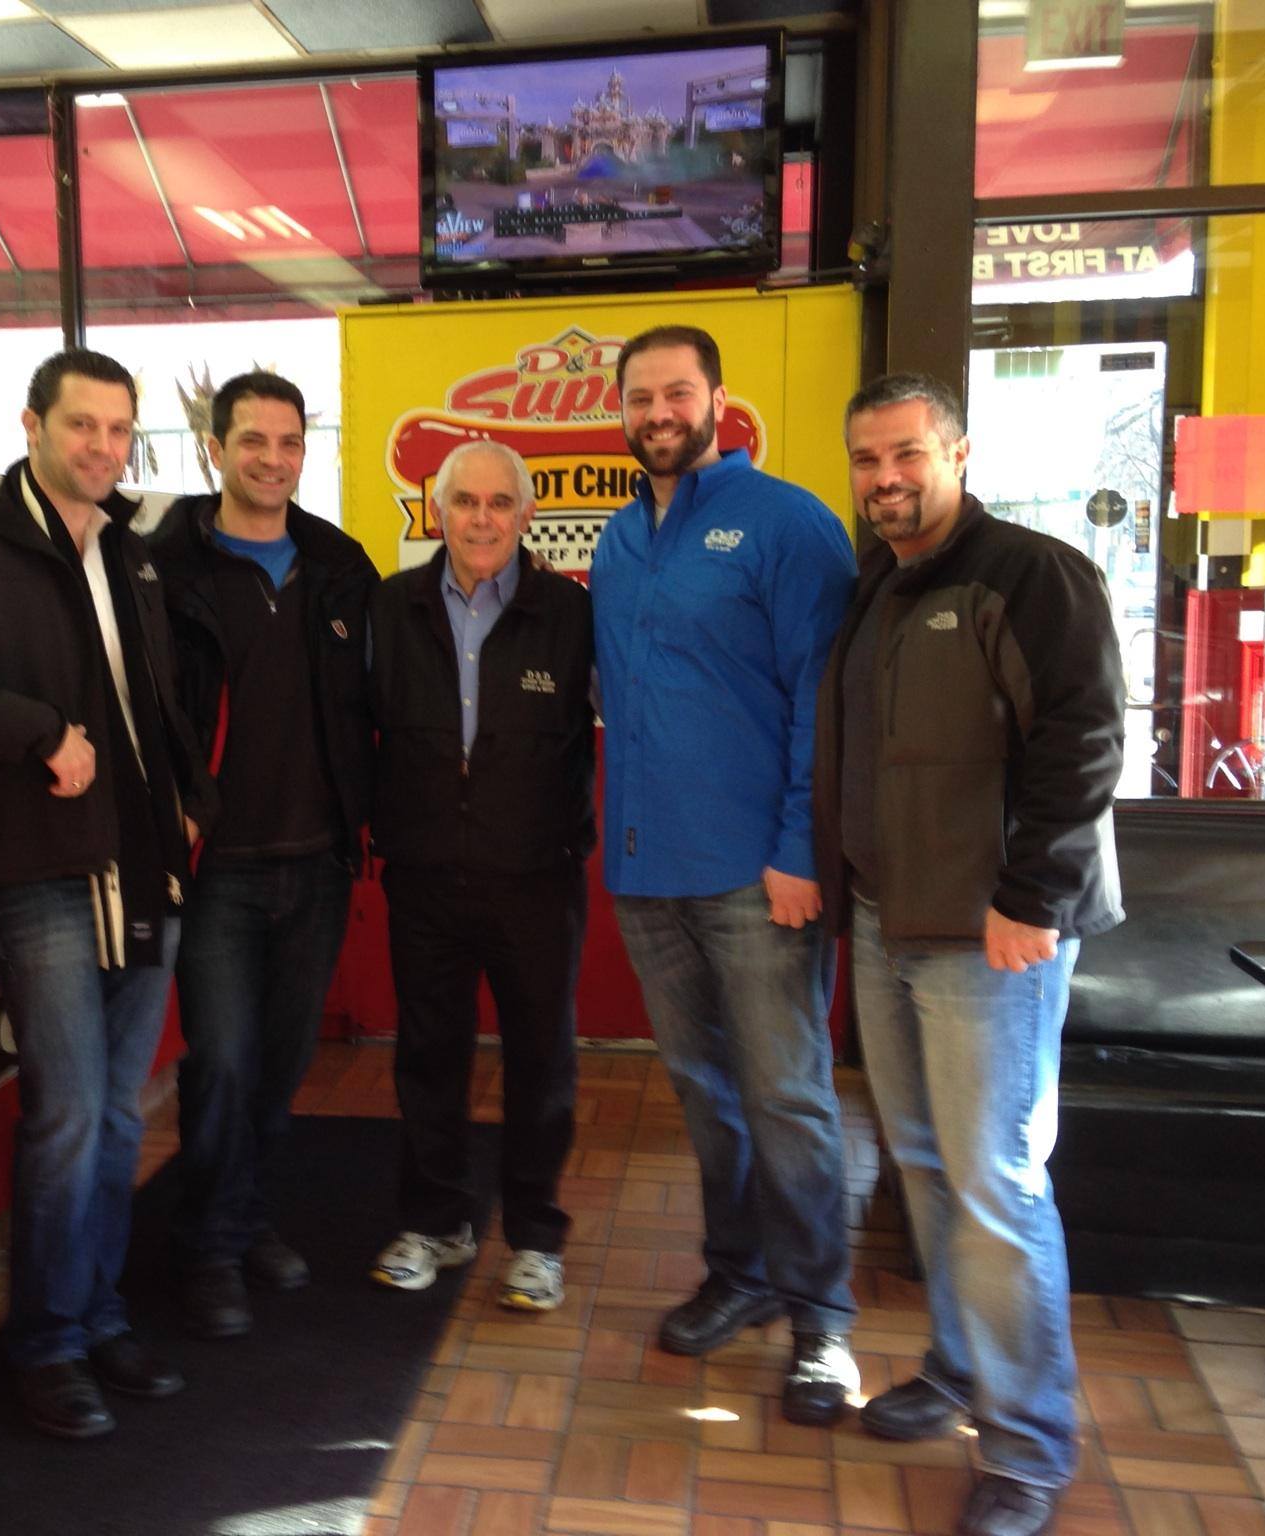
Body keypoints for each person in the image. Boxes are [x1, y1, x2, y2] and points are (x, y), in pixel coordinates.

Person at [0, 348, 219, 1442]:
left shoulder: (130, 550)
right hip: (39, 866)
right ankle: (47, 1341)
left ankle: (98, 1314)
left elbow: (157, 700)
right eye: (81, 426)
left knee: (117, 1112)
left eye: (118, 429)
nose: (102, 447)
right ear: (31, 426)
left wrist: (189, 800)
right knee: (65, 1115)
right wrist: (35, 735)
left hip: (143, 862)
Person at [815, 373, 1124, 1536]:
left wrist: (1030, 895)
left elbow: (1084, 737)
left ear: (956, 453)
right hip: (886, 918)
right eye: (866, 459)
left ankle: (1027, 1448)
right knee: (926, 1168)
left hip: (990, 935)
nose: (884, 477)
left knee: (995, 1183)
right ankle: (957, 1369)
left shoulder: (1031, 574)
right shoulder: (879, 584)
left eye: (905, 453)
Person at [589, 323, 861, 1425]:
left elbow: (824, 703)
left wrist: (799, 851)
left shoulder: (789, 523)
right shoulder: (617, 538)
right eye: (639, 397)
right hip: (646, 873)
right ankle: (738, 1274)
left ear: (717, 400)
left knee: (786, 1097)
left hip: (759, 879)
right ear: (620, 409)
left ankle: (821, 1321)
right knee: (706, 1095)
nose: (658, 413)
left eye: (676, 393)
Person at [147, 371, 378, 1339]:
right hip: (220, 870)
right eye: (252, 441)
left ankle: (243, 1221)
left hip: (318, 861)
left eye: (289, 442)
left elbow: (370, 703)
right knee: (224, 1063)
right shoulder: (162, 567)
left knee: (280, 1066)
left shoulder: (337, 563)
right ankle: (208, 1248)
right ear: (214, 447)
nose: (272, 460)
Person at [366, 440, 594, 1312]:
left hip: (536, 878)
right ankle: (437, 1225)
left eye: (501, 503)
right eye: (466, 502)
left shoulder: (570, 614)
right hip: (424, 876)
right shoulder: (391, 607)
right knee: (428, 1057)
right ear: (438, 512)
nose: (483, 519)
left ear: (527, 516)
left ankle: (535, 1240)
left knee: (542, 1064)